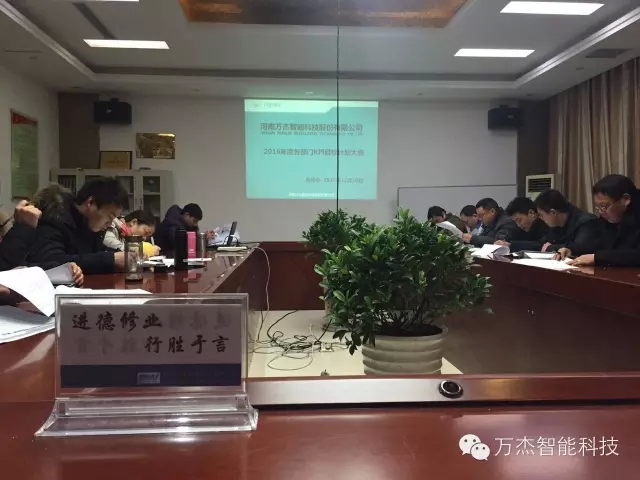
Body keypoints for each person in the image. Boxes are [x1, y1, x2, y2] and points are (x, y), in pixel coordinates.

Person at [28, 178, 130, 274]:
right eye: (110, 216)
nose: (110, 223)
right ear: (90, 202)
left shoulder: (91, 224)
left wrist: (119, 255)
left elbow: (91, 254)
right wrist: (110, 259)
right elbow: (52, 262)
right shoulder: (55, 217)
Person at [569, 175, 640, 267]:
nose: (601, 212)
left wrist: (597, 258)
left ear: (625, 199)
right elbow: (599, 242)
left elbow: (636, 255)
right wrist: (571, 250)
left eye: (604, 206)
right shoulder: (608, 218)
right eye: (598, 207)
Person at [532, 189, 602, 260]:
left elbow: (578, 249)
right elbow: (542, 244)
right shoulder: (556, 224)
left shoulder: (587, 222)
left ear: (553, 212)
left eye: (541, 215)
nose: (541, 218)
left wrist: (550, 247)